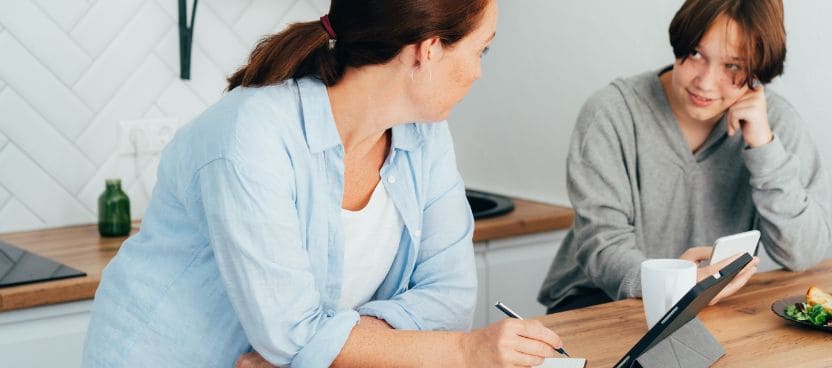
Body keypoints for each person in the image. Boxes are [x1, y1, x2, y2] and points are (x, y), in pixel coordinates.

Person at [83, 1, 566, 367]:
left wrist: (321, 352)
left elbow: (450, 296)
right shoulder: (252, 133)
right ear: (429, 50)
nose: (480, 71)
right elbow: (291, 333)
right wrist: (463, 352)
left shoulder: (425, 134)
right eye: (481, 49)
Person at [539, 0, 831, 314]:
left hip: (708, 305)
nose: (705, 82)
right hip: (601, 303)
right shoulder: (611, 112)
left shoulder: (775, 122)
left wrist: (763, 148)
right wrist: (672, 283)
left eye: (733, 66)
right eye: (695, 54)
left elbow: (803, 253)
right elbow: (603, 243)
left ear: (758, 70)